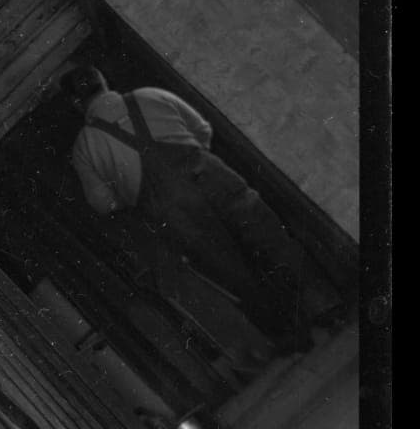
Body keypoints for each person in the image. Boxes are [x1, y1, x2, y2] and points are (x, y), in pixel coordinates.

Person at [58, 64, 343, 356]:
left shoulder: (85, 146)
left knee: (234, 273)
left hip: (173, 211)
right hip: (212, 176)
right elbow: (202, 131)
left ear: (76, 103)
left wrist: (133, 192)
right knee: (271, 238)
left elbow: (103, 203)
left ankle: (293, 337)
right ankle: (325, 305)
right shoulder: (151, 96)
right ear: (103, 81)